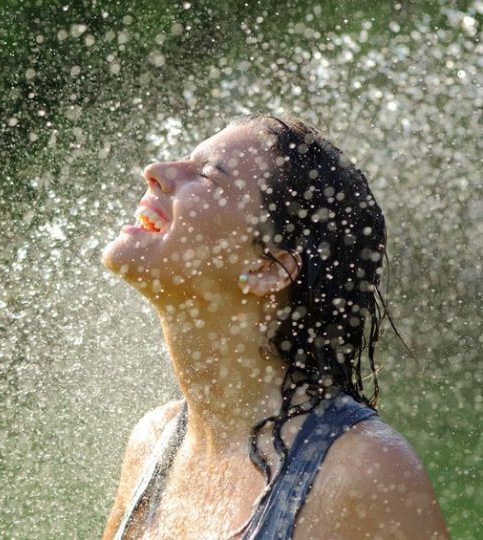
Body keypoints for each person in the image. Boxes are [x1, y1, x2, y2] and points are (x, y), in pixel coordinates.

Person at [100, 114, 450, 539]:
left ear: (269, 268)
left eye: (208, 176)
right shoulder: (154, 445)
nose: (154, 172)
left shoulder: (361, 468)